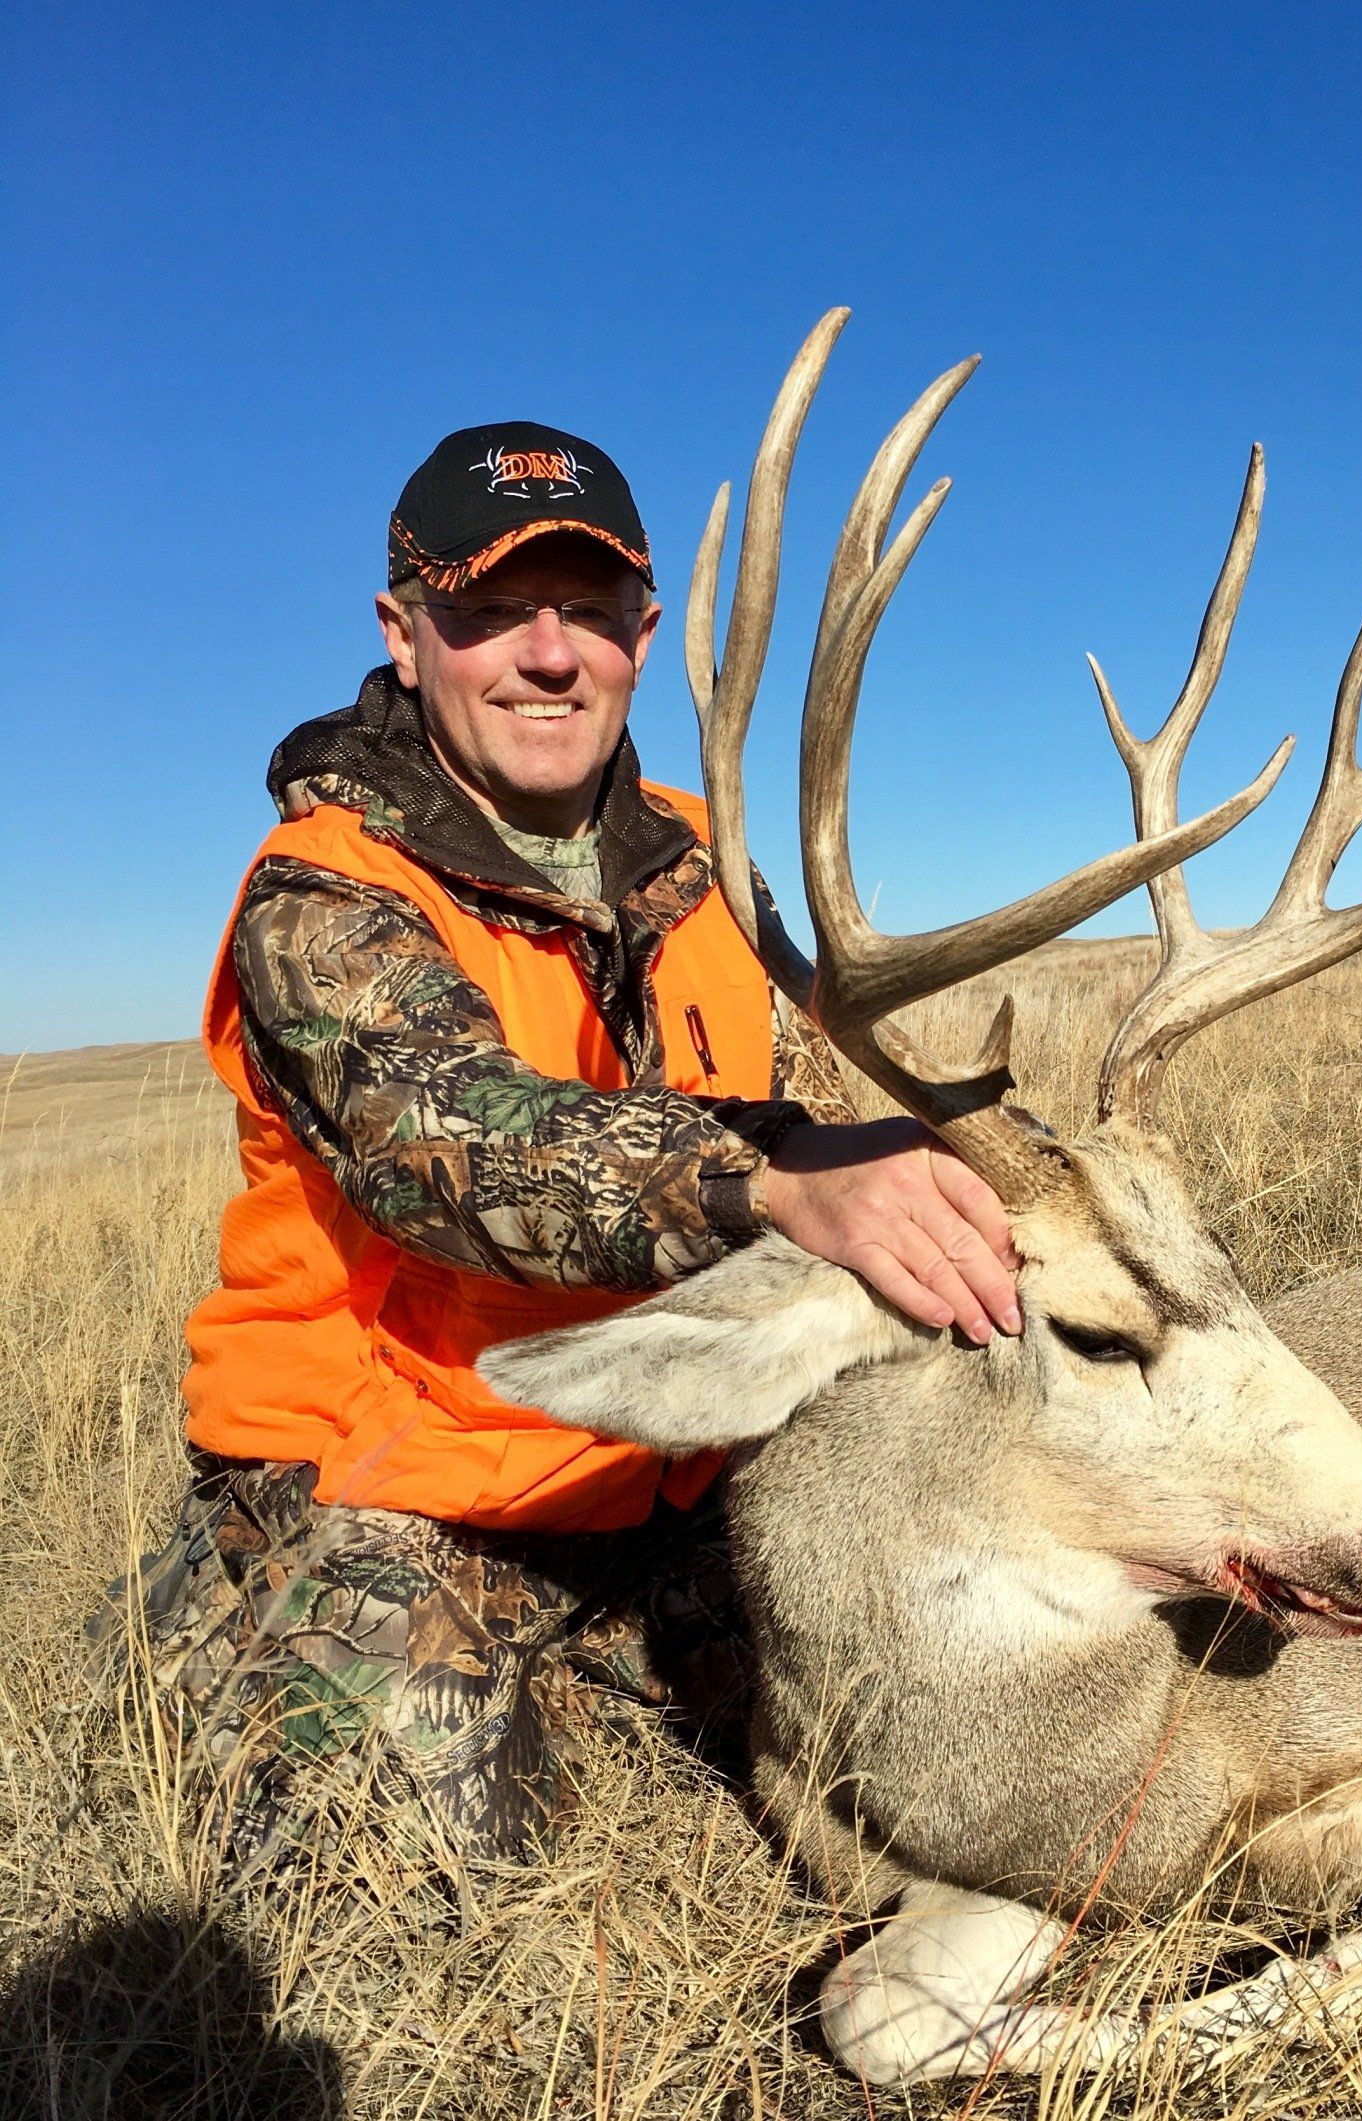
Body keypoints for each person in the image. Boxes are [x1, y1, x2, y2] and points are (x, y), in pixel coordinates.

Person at [121, 421, 1021, 1873]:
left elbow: (815, 1099)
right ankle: (218, 1621)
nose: (551, 654)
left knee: (955, 1723)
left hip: (677, 1465)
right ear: (406, 634)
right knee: (412, 1892)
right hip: (397, 1482)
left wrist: (974, 1170)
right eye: (491, 608)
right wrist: (777, 1182)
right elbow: (458, 1151)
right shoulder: (323, 893)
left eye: (591, 609)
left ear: (643, 634)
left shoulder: (702, 859)